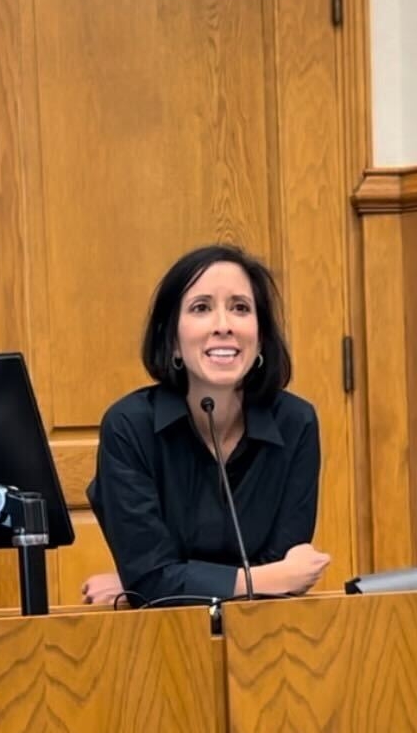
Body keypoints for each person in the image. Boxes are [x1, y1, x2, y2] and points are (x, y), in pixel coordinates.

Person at [82, 244, 331, 606]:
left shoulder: (296, 423)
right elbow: (280, 575)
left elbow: (280, 589)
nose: (224, 326)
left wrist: (158, 583)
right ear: (173, 341)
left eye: (240, 308)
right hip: (166, 641)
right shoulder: (128, 426)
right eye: (201, 308)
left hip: (265, 639)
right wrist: (266, 578)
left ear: (260, 336)